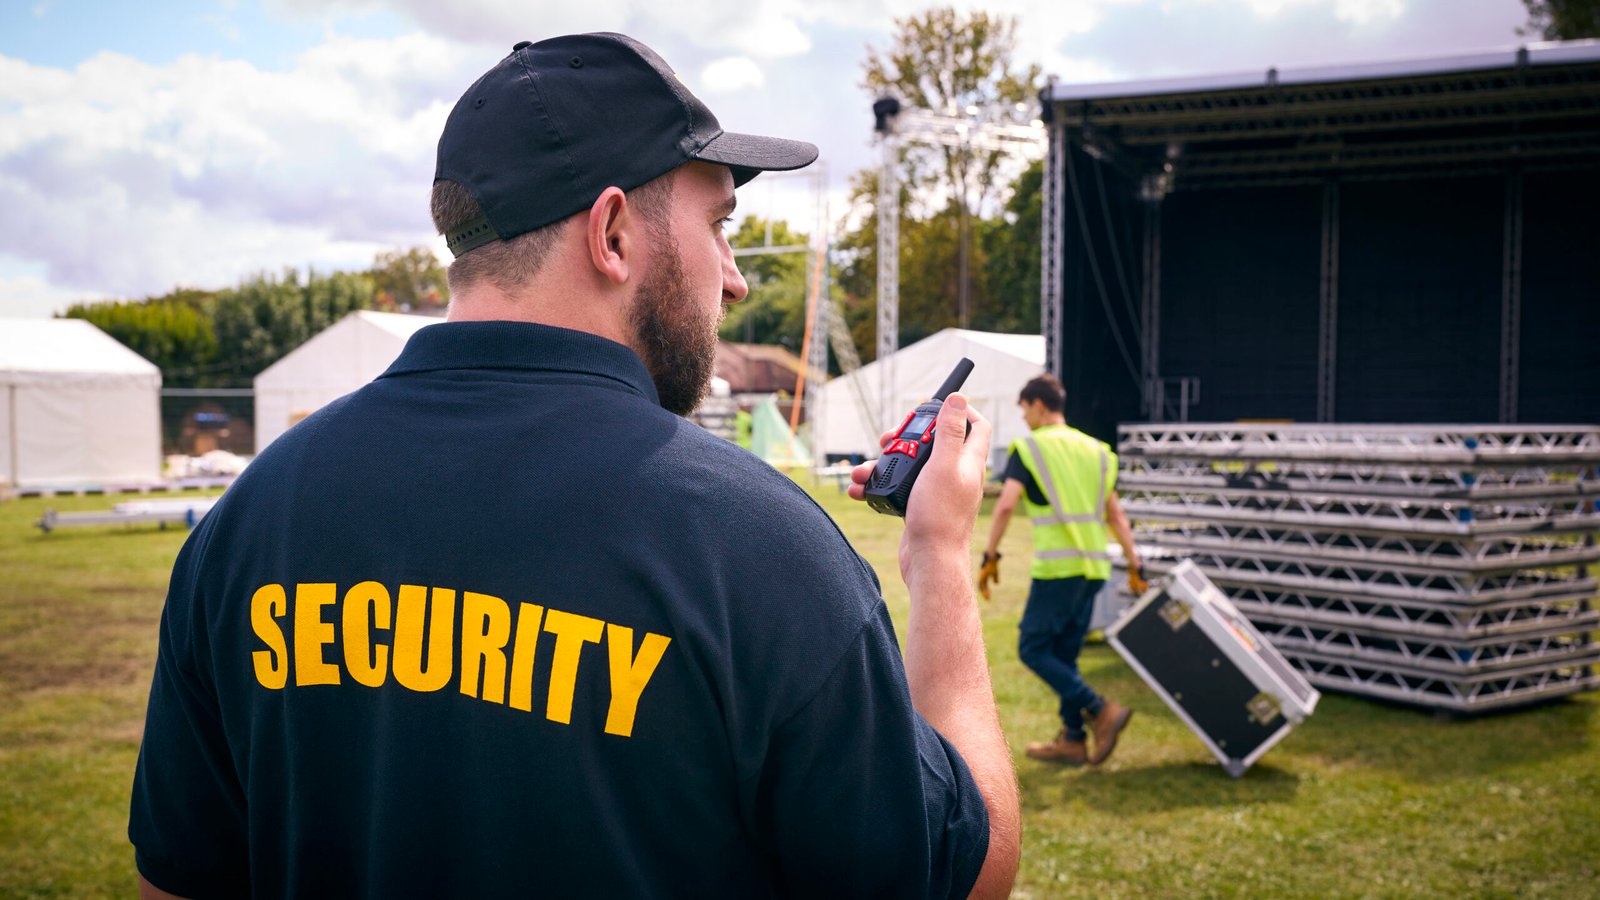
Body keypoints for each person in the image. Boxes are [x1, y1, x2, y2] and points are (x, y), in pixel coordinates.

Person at [128, 32, 1019, 899]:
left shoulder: (254, 517)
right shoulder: (756, 547)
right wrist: (937, 557)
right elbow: (965, 873)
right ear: (615, 233)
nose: (736, 279)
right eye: (719, 226)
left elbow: (178, 877)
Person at [978, 374, 1145, 767]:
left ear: (1037, 404)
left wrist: (989, 555)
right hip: (1094, 569)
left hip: (1058, 568)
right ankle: (1073, 738)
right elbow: (1116, 515)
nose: (1024, 419)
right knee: (1065, 655)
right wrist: (1135, 563)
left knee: (1033, 649)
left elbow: (1005, 505)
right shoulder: (1098, 451)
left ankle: (1099, 709)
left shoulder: (1030, 448)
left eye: (1024, 410)